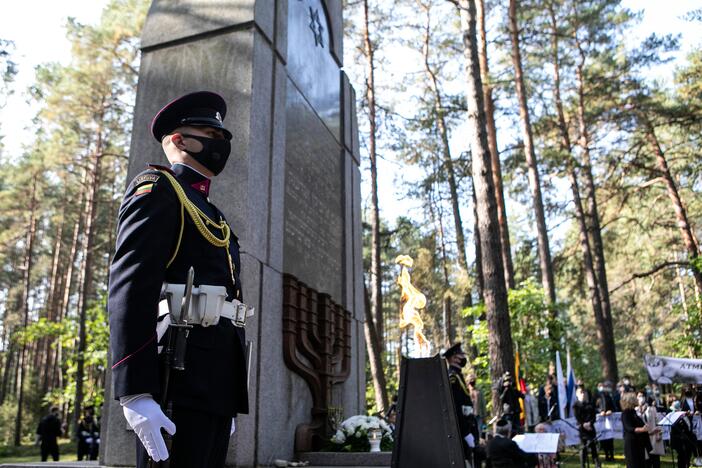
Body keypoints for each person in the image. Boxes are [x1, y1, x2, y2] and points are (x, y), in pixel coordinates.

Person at [109, 91, 250, 467]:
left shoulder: (214, 214)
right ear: (178, 139)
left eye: (223, 137)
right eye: (211, 134)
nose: (222, 143)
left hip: (215, 382)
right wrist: (135, 392)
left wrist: (229, 392)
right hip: (177, 373)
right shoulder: (158, 189)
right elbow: (131, 286)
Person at [443, 343, 480, 466]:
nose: (463, 358)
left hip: (467, 427)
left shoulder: (458, 375)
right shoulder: (453, 377)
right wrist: (465, 433)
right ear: (453, 358)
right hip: (461, 431)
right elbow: (456, 408)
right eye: (461, 355)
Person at [621, 391, 654, 468]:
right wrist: (642, 429)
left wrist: (651, 431)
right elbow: (629, 428)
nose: (637, 399)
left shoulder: (633, 412)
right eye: (635, 398)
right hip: (632, 444)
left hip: (639, 443)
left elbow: (642, 426)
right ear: (630, 400)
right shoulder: (625, 413)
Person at [573, 385, 601, 468]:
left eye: (583, 392)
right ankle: (583, 465)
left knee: (594, 447)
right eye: (581, 392)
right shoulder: (576, 406)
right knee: (583, 448)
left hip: (591, 428)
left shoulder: (590, 404)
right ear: (577, 394)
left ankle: (597, 464)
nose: (583, 394)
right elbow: (577, 417)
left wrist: (590, 423)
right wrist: (583, 424)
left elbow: (594, 416)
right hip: (582, 429)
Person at [637, 393, 664, 468]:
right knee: (646, 461)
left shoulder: (652, 409)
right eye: (639, 396)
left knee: (655, 459)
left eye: (642, 396)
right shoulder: (636, 410)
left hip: (653, 437)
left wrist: (659, 434)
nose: (641, 398)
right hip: (643, 438)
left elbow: (657, 422)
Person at [670, 401, 696, 468]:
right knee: (681, 456)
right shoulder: (674, 417)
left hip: (688, 438)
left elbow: (688, 425)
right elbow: (675, 430)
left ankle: (687, 464)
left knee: (688, 455)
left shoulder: (684, 415)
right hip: (680, 440)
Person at [595, 381, 616, 461]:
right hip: (601, 420)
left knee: (610, 437)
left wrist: (610, 411)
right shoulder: (596, 396)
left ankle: (612, 455)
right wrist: (599, 411)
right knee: (603, 438)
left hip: (609, 420)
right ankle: (606, 455)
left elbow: (614, 407)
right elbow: (594, 407)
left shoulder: (608, 396)